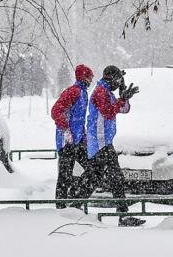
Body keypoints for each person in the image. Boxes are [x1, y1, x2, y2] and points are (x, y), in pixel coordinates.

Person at [76, 65, 142, 226]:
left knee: (94, 176)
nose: (118, 83)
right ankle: (122, 214)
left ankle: (74, 206)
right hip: (100, 141)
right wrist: (121, 99)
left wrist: (123, 95)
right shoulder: (100, 92)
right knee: (115, 177)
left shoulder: (108, 92)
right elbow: (108, 111)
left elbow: (124, 109)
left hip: (104, 141)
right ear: (110, 78)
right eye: (118, 80)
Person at [50, 64, 94, 208]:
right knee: (64, 176)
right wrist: (66, 131)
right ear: (83, 77)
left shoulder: (82, 92)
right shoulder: (73, 92)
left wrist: (83, 134)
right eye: (89, 77)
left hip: (78, 140)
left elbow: (79, 117)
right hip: (67, 142)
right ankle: (61, 208)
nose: (91, 80)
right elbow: (56, 111)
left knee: (93, 169)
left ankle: (75, 196)